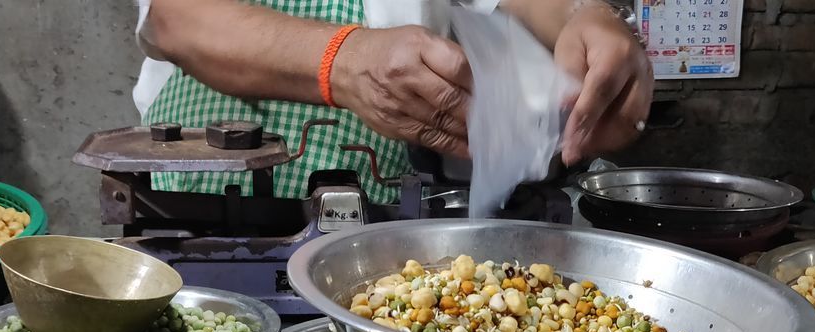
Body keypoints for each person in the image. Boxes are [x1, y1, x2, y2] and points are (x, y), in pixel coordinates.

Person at [135, 0, 653, 203]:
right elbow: (176, 18)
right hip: (207, 195)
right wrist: (343, 61)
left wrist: (591, 19)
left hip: (383, 202)